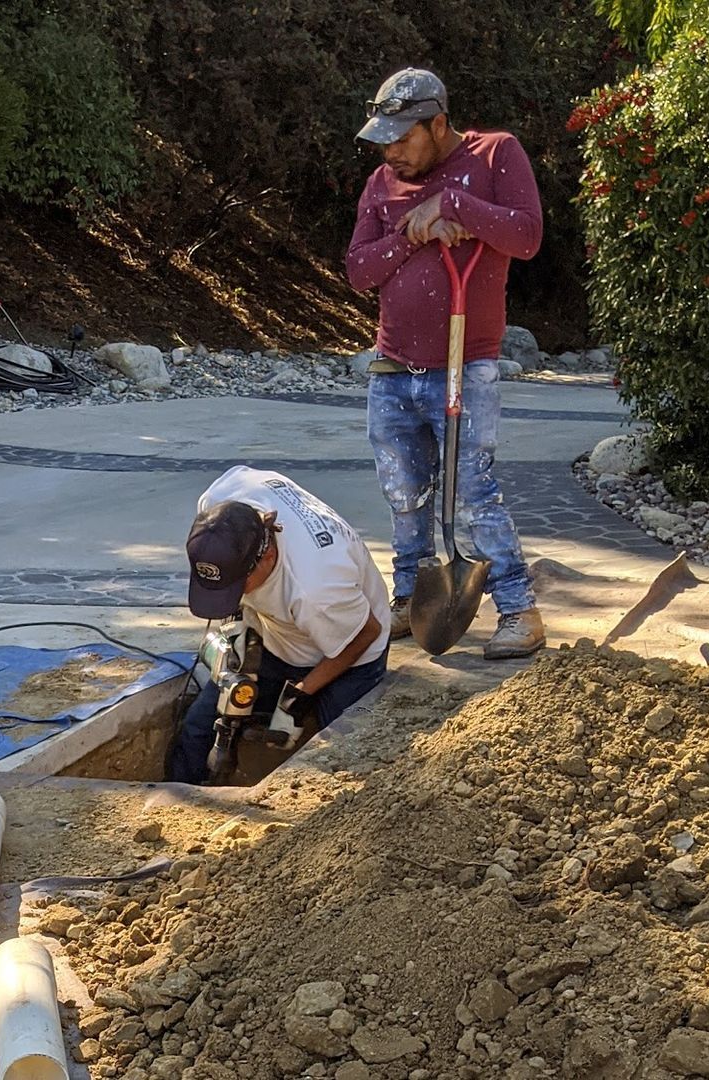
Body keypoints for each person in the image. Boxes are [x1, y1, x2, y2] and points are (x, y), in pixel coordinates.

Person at [346, 67, 546, 660]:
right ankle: (411, 598)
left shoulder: (495, 154)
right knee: (403, 494)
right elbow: (358, 270)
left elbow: (526, 235)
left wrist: (453, 203)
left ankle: (518, 610)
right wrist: (413, 233)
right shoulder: (381, 183)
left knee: (472, 493)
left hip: (465, 366)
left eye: (401, 139)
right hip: (392, 368)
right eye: (383, 141)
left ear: (438, 125)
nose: (390, 152)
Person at [169, 466, 390, 784]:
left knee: (340, 752)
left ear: (268, 555)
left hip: (351, 649)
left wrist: (299, 697)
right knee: (198, 726)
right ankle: (182, 789)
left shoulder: (316, 588)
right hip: (278, 637)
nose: (234, 595)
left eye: (237, 587)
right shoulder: (218, 508)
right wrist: (241, 625)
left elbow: (367, 632)